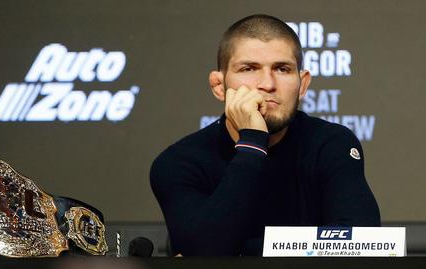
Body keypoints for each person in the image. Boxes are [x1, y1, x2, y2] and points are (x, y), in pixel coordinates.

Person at [150, 14, 380, 256]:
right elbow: (204, 254)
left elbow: (363, 243)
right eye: (248, 68)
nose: (267, 84)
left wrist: (243, 252)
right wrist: (252, 143)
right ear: (219, 87)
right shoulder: (179, 162)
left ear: (302, 85)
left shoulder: (332, 144)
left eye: (282, 69)